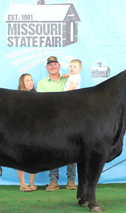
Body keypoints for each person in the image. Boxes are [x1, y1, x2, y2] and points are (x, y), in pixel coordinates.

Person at [37, 56, 77, 191]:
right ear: (47, 67)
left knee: (73, 149)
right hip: (51, 121)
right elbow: (41, 104)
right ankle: (53, 181)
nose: (52, 66)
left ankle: (71, 180)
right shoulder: (42, 83)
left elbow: (76, 89)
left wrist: (71, 74)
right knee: (52, 150)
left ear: (59, 65)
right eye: (50, 65)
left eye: (55, 64)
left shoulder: (69, 78)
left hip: (70, 119)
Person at [16, 73, 37, 192]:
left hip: (35, 130)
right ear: (22, 83)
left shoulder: (37, 96)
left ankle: (31, 183)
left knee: (34, 155)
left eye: (31, 80)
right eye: (27, 80)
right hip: (21, 130)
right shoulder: (17, 97)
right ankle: (22, 184)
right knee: (20, 156)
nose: (30, 82)